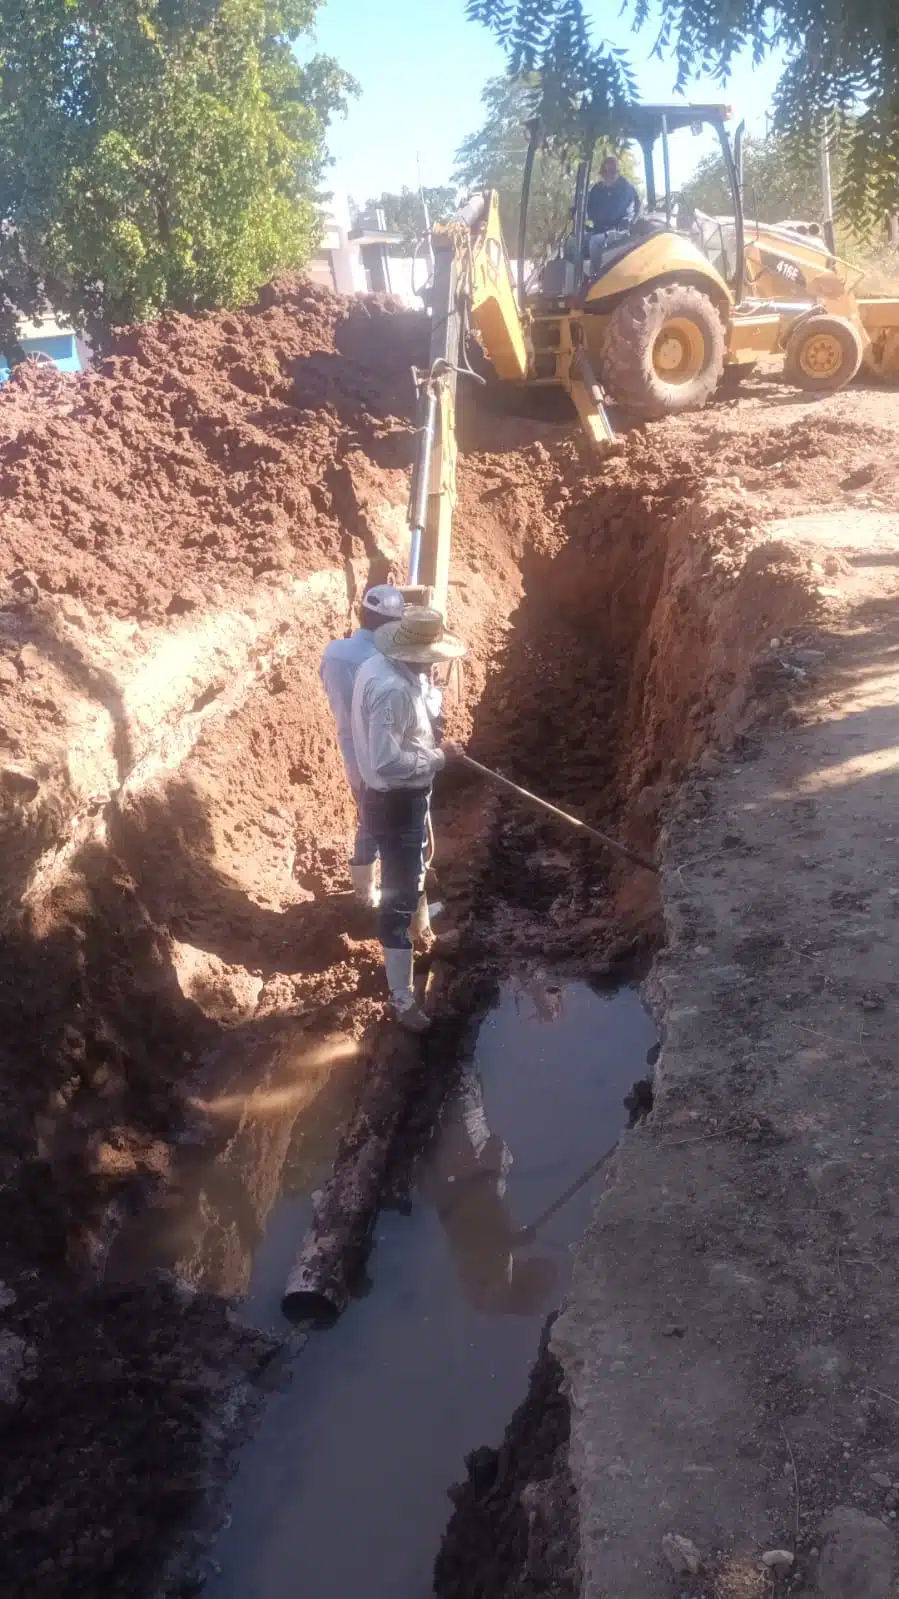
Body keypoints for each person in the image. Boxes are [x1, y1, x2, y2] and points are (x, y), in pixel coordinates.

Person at [351, 606, 466, 1032]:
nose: (433, 663)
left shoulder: (378, 667)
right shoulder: (392, 690)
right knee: (398, 896)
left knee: (415, 865)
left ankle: (423, 933)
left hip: (397, 798)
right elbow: (386, 761)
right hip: (395, 800)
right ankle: (402, 999)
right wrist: (437, 757)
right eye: (430, 656)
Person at [319, 584, 405, 908]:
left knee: (369, 821)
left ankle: (365, 894)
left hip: (353, 755)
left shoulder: (333, 652)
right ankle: (396, 907)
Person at [586, 155, 640, 276]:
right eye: (604, 173)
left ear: (617, 173)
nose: (607, 177)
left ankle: (595, 279)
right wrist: (577, 211)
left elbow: (613, 215)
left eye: (611, 173)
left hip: (621, 231)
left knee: (595, 242)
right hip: (600, 230)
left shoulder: (626, 190)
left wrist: (596, 217)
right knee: (573, 243)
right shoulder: (597, 189)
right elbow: (588, 209)